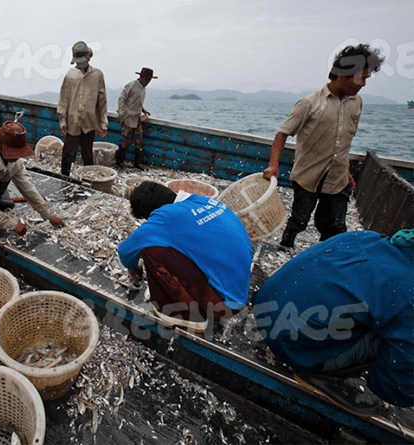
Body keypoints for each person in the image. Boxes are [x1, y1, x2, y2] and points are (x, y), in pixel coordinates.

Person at [252, 229, 413, 417]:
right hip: (294, 346)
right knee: (396, 338)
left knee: (385, 311)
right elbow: (394, 388)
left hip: (265, 310)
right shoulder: (409, 291)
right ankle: (323, 374)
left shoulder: (367, 237)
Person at [263, 44, 384, 249]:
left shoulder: (356, 102)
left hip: (338, 177)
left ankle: (328, 255)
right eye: (360, 78)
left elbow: (344, 142)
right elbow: (282, 134)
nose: (363, 84)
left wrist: (347, 172)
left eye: (366, 79)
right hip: (308, 175)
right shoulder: (309, 103)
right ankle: (286, 245)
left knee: (335, 227)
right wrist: (273, 165)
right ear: (342, 76)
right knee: (299, 220)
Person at [117, 181, 253, 333]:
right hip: (240, 290)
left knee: (151, 250)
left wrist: (134, 268)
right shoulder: (203, 201)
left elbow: (125, 250)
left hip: (223, 305)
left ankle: (188, 316)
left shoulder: (165, 217)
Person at [57, 41, 108, 176]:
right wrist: (62, 120)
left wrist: (103, 123)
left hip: (89, 122)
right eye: (77, 62)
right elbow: (64, 99)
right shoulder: (70, 75)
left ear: (88, 58)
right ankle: (64, 177)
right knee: (68, 154)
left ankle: (87, 178)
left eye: (82, 61)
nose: (79, 64)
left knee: (87, 154)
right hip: (72, 121)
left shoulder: (98, 75)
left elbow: (102, 102)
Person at [116, 67, 156, 169]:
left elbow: (136, 102)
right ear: (141, 77)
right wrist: (121, 114)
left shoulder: (143, 89)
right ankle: (119, 161)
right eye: (147, 79)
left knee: (139, 141)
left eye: (149, 80)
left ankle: (137, 164)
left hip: (137, 118)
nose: (148, 82)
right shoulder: (131, 85)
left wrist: (143, 110)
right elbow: (122, 98)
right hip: (128, 117)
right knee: (127, 140)